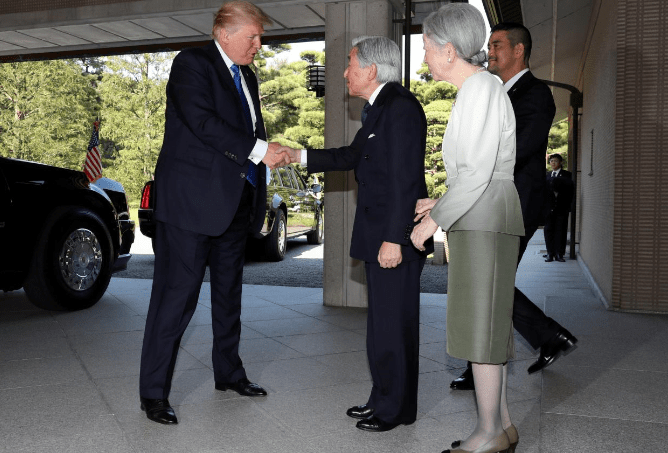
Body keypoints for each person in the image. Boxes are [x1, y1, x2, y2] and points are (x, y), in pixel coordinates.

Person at [138, 1, 287, 425]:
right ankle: (153, 393)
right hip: (190, 206)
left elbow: (250, 130)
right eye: (252, 36)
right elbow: (202, 123)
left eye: (260, 37)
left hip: (235, 203)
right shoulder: (192, 64)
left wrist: (259, 173)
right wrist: (261, 150)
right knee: (175, 299)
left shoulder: (248, 75)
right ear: (224, 33)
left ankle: (229, 373)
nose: (258, 45)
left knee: (228, 296)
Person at [278, 36, 432, 432]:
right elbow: (351, 155)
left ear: (371, 69)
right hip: (378, 233)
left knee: (393, 327)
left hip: (392, 237)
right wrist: (298, 155)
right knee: (381, 326)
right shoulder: (379, 108)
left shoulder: (400, 107)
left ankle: (395, 410)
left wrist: (395, 239)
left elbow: (404, 180)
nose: (345, 72)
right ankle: (383, 398)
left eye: (350, 64)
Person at [409, 4, 524, 453]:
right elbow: (482, 168)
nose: (424, 57)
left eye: (426, 47)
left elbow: (477, 172)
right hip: (485, 214)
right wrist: (441, 201)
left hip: (485, 219)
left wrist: (432, 222)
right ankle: (502, 426)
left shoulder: (480, 88)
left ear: (448, 50)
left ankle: (489, 432)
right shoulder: (480, 88)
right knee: (487, 325)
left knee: (481, 327)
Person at [449, 22, 578, 392]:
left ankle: (539, 339)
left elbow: (517, 150)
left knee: (487, 282)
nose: (489, 52)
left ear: (519, 50)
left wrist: (473, 167)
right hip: (492, 202)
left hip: (516, 205)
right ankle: (542, 339)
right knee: (490, 282)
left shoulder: (535, 94)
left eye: (497, 45)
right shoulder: (495, 92)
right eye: (489, 45)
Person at [544, 153, 573, 262]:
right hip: (548, 209)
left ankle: (559, 254)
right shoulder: (547, 175)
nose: (553, 163)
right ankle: (549, 253)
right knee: (548, 231)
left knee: (561, 231)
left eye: (555, 161)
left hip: (562, 208)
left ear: (560, 162)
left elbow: (570, 191)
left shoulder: (567, 175)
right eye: (551, 161)